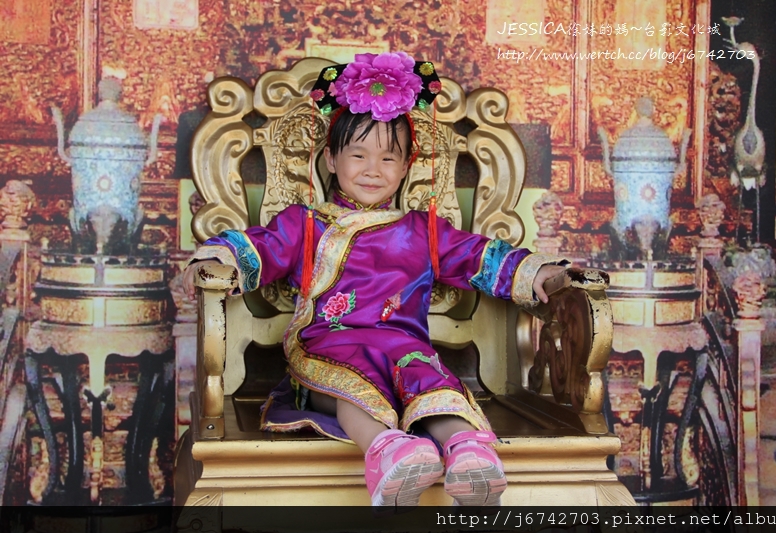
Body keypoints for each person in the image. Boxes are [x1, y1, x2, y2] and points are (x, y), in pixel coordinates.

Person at [183, 52, 568, 508]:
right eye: (358, 154)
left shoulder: (423, 230)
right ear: (330, 159)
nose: (373, 169)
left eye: (389, 157)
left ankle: (467, 451)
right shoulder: (306, 224)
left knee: (435, 386)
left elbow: (477, 255)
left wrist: (534, 271)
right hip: (330, 347)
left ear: (406, 167)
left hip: (404, 348)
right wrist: (220, 259)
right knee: (356, 388)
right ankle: (387, 451)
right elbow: (261, 247)